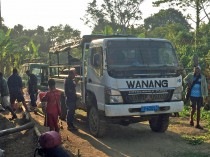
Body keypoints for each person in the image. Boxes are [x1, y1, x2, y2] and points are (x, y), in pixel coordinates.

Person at [184, 65, 208, 129]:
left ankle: (197, 124)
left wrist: (206, 96)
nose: (196, 70)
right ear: (194, 69)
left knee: (199, 109)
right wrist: (187, 83)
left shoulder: (202, 77)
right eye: (195, 68)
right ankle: (191, 119)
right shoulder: (190, 75)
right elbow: (185, 80)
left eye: (198, 69)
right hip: (192, 95)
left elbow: (205, 87)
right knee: (193, 108)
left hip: (200, 95)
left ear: (200, 70)